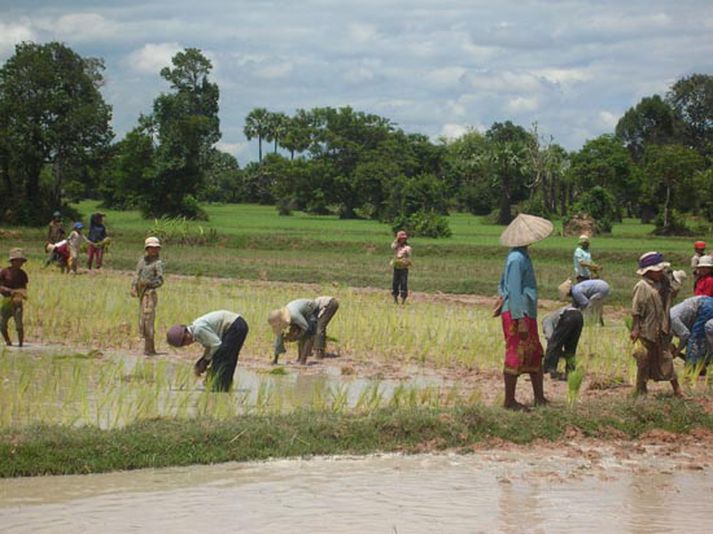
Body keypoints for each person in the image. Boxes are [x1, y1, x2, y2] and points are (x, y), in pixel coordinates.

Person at [497, 213, 553, 410]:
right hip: (517, 314)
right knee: (515, 353)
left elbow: (502, 285)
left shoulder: (523, 256)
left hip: (525, 313)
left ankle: (539, 397)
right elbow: (512, 289)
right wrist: (519, 319)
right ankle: (509, 401)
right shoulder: (516, 259)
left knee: (535, 352)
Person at [630, 251, 682, 397]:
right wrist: (635, 328)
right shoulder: (642, 286)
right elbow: (636, 309)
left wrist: (672, 277)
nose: (660, 272)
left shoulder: (663, 283)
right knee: (644, 360)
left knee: (666, 358)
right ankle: (641, 389)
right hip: (647, 328)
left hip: (662, 328)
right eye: (657, 270)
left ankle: (677, 390)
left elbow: (675, 291)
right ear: (648, 271)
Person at [166, 311, 248, 392]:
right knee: (225, 357)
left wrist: (205, 361)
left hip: (235, 326)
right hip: (235, 326)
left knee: (223, 357)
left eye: (184, 343)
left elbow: (216, 345)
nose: (187, 345)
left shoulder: (198, 330)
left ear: (186, 335)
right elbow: (210, 346)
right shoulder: (197, 330)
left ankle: (220, 387)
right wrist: (203, 360)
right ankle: (221, 386)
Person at [268, 296, 339, 364]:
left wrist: (296, 337)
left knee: (314, 331)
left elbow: (306, 329)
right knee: (301, 333)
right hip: (306, 311)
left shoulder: (294, 315)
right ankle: (301, 357)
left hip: (320, 307)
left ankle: (314, 357)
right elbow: (279, 339)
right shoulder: (286, 318)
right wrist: (275, 360)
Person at [131, 237, 164, 355]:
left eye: (156, 248)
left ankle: (149, 348)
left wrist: (149, 283)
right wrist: (134, 287)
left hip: (150, 293)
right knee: (142, 321)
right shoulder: (142, 261)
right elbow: (136, 275)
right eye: (151, 248)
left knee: (148, 318)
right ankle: (148, 348)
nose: (154, 250)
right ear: (147, 248)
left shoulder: (158, 263)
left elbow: (160, 280)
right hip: (141, 293)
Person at [542, 305, 583, 380]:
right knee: (571, 348)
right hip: (579, 316)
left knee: (553, 344)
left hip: (568, 316)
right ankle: (570, 372)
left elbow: (551, 339)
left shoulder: (546, 320)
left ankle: (549, 370)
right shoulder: (555, 316)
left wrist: (549, 355)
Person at [1, 248, 29, 347]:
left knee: (19, 325)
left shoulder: (23, 274)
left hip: (17, 301)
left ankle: (21, 345)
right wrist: (9, 291)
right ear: (12, 261)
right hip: (6, 301)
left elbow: (24, 288)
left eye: (21, 261)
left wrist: (22, 294)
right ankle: (8, 342)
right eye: (18, 260)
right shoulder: (4, 272)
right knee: (2, 324)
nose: (20, 263)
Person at [684, 297, 713, 375]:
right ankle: (696, 365)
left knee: (696, 337)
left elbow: (691, 337)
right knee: (701, 338)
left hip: (705, 305)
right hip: (704, 303)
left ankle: (692, 366)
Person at [390, 230, 412, 304]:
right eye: (401, 238)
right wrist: (397, 240)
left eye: (404, 239)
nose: (403, 240)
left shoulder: (407, 247)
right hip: (397, 267)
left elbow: (408, 253)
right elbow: (392, 246)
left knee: (403, 283)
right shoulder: (396, 246)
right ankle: (395, 299)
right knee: (395, 282)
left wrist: (404, 255)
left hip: (403, 268)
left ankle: (403, 300)